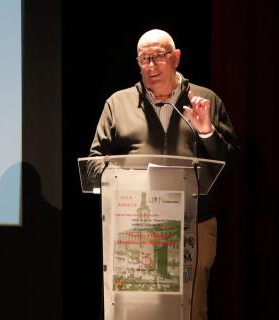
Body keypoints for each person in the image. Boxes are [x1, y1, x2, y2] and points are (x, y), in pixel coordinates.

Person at [89, 29, 237, 320]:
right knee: (139, 311)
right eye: (144, 59)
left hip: (193, 223)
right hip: (136, 224)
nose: (151, 66)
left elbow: (230, 164)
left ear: (176, 58)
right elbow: (94, 164)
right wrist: (130, 178)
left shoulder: (204, 101)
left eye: (158, 56)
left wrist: (206, 131)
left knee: (191, 309)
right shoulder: (117, 104)